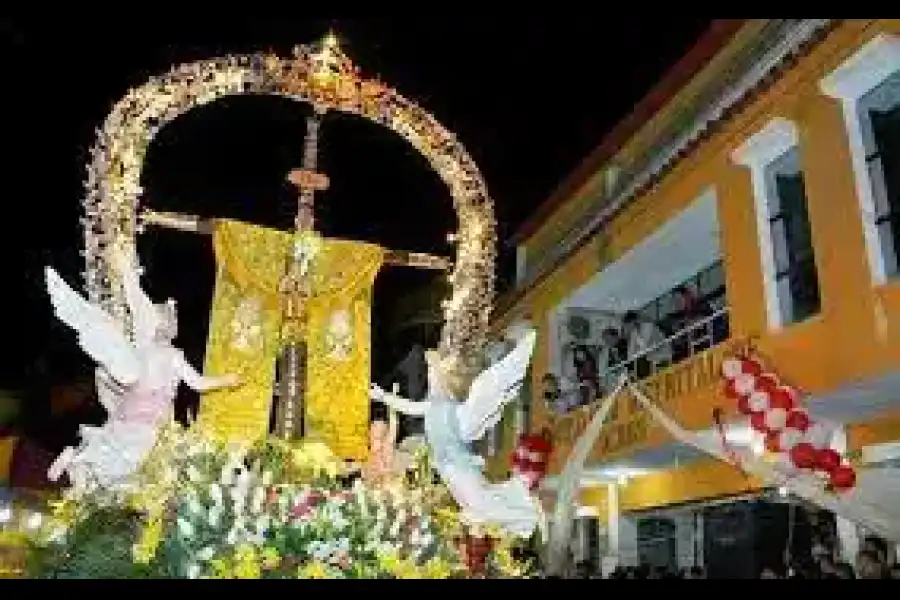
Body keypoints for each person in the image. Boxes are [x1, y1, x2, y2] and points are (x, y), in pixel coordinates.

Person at [621, 311, 671, 379]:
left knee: (641, 362)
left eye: (627, 326)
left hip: (662, 355)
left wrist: (636, 349)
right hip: (650, 358)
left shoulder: (648, 326)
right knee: (633, 367)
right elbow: (630, 355)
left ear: (633, 322)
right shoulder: (634, 333)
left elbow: (645, 346)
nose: (626, 329)